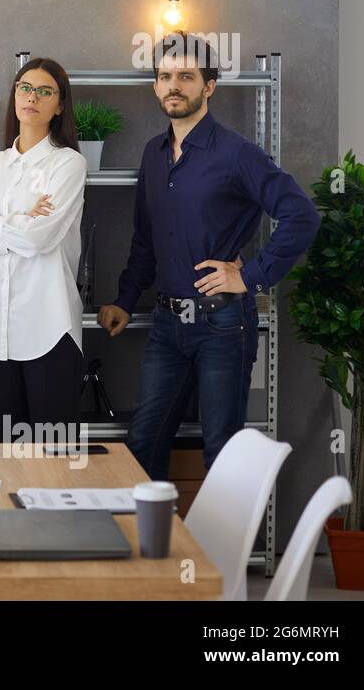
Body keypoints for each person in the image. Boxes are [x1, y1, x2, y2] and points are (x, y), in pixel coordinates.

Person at [98, 34, 319, 479]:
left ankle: (223, 551)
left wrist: (251, 276)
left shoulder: (238, 153)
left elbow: (302, 215)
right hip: (165, 325)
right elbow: (145, 238)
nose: (173, 85)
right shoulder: (154, 154)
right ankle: (153, 548)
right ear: (156, 86)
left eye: (186, 76)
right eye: (164, 77)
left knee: (222, 451)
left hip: (223, 326)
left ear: (209, 86)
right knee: (143, 444)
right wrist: (125, 299)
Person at [0, 58, 87, 438]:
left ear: (60, 105)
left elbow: (38, 238)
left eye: (46, 91)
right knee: (6, 454)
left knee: (53, 455)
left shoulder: (69, 165)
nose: (33, 97)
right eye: (25, 88)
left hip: (49, 327)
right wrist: (18, 223)